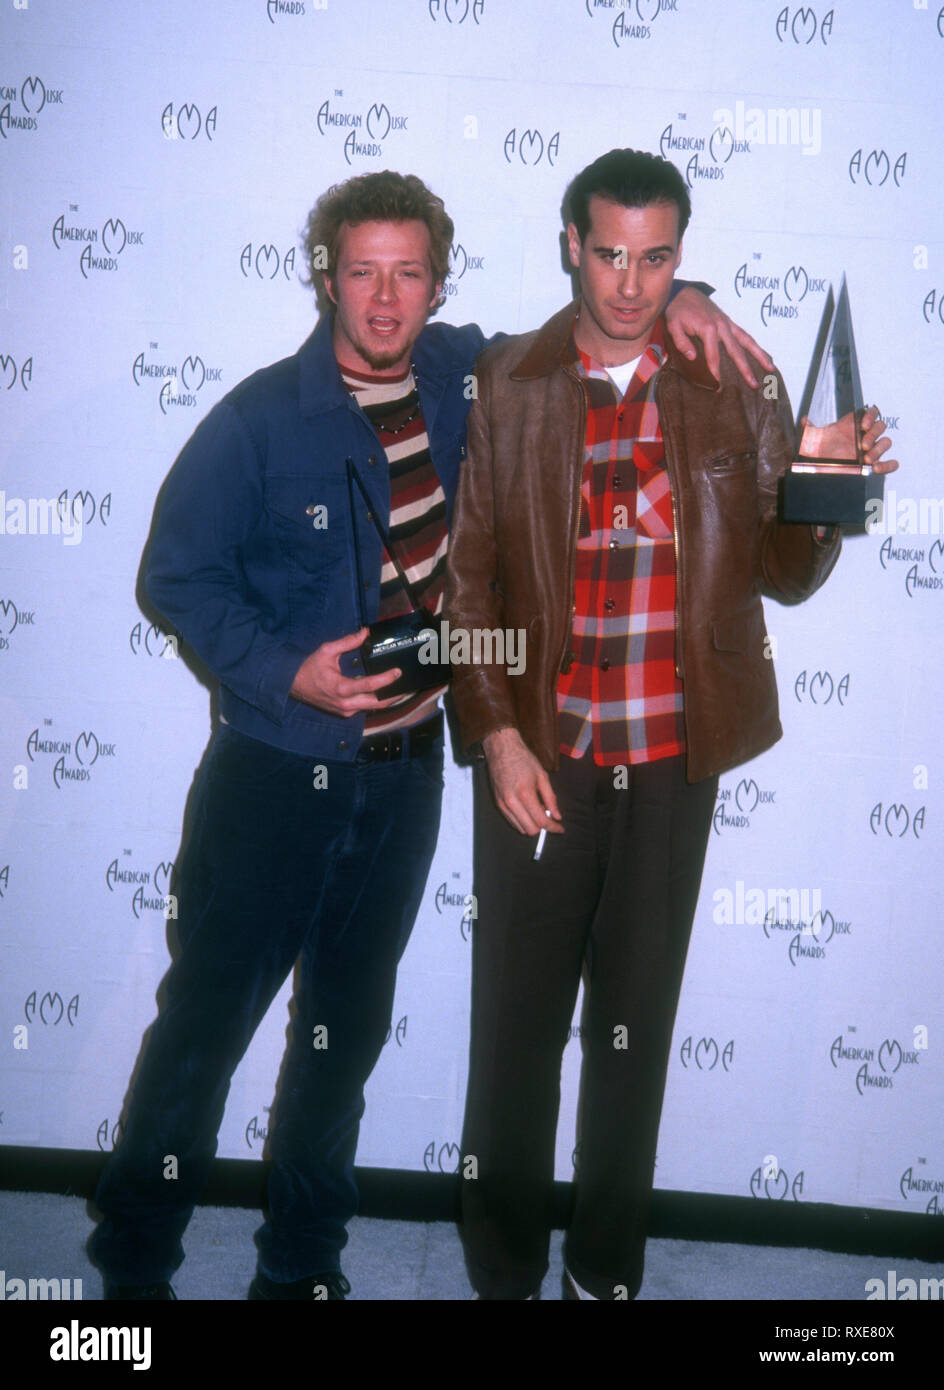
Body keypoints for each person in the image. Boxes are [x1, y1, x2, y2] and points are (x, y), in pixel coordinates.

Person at [88, 167, 782, 1301]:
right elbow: (176, 574)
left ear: (435, 284)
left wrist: (688, 292)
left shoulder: (469, 375)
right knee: (205, 1029)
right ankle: (132, 1272)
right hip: (274, 773)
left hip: (406, 776)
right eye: (360, 271)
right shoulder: (259, 419)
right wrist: (282, 669)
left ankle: (301, 1268)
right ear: (324, 278)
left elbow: (608, 313)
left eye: (407, 274)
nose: (382, 299)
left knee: (340, 1040)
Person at [443, 148, 897, 1301]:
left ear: (678, 258)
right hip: (542, 757)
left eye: (654, 259)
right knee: (512, 1038)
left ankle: (604, 1271)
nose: (629, 284)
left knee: (629, 1037)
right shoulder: (511, 382)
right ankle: (501, 1272)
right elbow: (470, 586)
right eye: (606, 253)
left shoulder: (731, 383)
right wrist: (496, 735)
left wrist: (815, 486)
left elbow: (784, 577)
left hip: (672, 759)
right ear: (569, 244)